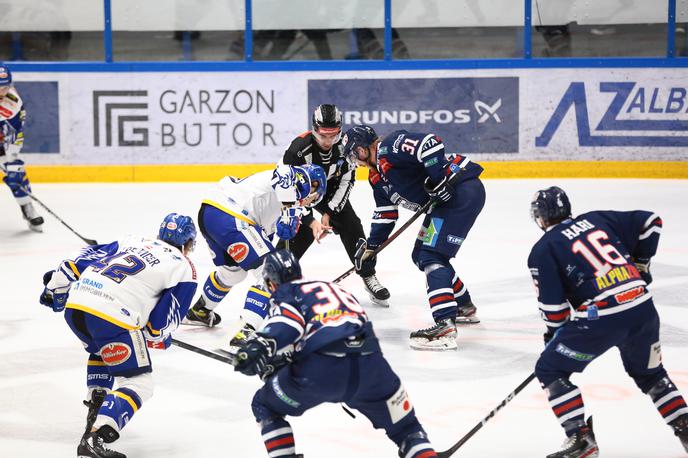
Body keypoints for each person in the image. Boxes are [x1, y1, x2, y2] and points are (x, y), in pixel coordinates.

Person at [528, 186, 688, 458]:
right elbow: (651, 222)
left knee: (550, 369)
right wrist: (641, 264)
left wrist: (553, 337)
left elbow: (554, 310)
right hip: (642, 308)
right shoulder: (597, 219)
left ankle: (580, 439)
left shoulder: (543, 249)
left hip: (602, 318)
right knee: (651, 375)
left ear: (540, 217)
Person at [232, 249, 439, 458]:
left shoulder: (287, 293)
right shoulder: (334, 289)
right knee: (407, 429)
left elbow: (288, 324)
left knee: (264, 404)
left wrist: (258, 347)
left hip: (323, 371)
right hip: (373, 367)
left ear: (270, 282)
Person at [39, 213, 198, 458]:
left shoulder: (132, 240)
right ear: (188, 243)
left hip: (77, 307)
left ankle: (95, 410)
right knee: (139, 382)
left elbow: (76, 261)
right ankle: (95, 437)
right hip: (112, 316)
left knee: (102, 350)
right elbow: (159, 325)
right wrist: (159, 336)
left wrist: (54, 289)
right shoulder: (184, 267)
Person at [342, 125, 485, 351]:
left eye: (352, 153)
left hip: (461, 191)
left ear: (361, 149)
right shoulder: (376, 177)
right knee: (421, 254)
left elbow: (430, 143)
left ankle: (445, 325)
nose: (354, 161)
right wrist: (371, 247)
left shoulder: (388, 148)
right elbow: (386, 214)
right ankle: (463, 306)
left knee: (431, 255)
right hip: (444, 203)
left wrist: (439, 179)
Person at [185, 164, 327, 345]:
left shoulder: (283, 206)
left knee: (233, 273)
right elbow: (284, 172)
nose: (310, 201)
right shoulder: (294, 179)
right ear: (313, 186)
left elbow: (263, 237)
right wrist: (289, 208)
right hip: (231, 215)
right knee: (273, 272)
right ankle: (245, 329)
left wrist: (290, 214)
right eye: (314, 195)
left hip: (212, 214)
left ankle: (200, 311)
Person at [279, 104, 390, 306]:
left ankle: (367, 274)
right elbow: (285, 191)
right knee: (295, 229)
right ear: (314, 129)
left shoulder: (347, 145)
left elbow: (347, 180)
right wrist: (310, 220)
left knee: (351, 224)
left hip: (331, 189)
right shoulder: (297, 149)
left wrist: (329, 212)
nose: (328, 141)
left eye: (333, 135)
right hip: (301, 192)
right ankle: (276, 279)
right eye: (323, 135)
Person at [0, 64, 43, 231]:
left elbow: (15, 133)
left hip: (4, 141)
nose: (3, 91)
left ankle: (27, 208)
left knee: (16, 171)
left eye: (5, 86)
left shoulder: (12, 102)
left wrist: (10, 158)